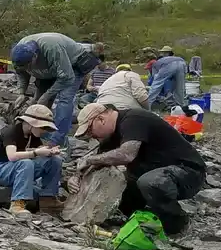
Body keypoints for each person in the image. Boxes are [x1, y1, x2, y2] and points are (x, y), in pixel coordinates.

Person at [75, 101, 207, 238]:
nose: (92, 136)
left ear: (101, 119)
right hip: (158, 174)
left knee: (150, 182)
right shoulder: (111, 135)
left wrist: (89, 160)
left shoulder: (133, 119)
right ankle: (146, 219)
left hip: (189, 172)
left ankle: (178, 225)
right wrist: (77, 177)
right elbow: (96, 162)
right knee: (122, 185)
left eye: (90, 131)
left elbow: (127, 154)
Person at [11, 32, 101, 145]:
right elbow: (21, 74)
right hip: (48, 70)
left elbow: (67, 77)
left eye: (28, 65)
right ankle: (38, 135)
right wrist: (21, 93)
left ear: (35, 56)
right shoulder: (18, 53)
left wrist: (47, 95)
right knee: (38, 102)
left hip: (73, 66)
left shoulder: (51, 48)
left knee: (64, 99)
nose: (27, 69)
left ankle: (57, 141)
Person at [0, 104, 63, 217]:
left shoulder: (32, 135)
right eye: (43, 127)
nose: (44, 131)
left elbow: (37, 149)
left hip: (17, 169)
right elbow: (12, 156)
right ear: (32, 124)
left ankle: (48, 199)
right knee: (26, 163)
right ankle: (17, 204)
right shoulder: (11, 132)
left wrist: (49, 151)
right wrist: (36, 153)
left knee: (55, 160)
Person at [146, 46, 188, 110]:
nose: (161, 54)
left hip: (169, 65)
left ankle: (147, 106)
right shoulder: (177, 58)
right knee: (180, 87)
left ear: (165, 53)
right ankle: (181, 107)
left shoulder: (158, 61)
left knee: (156, 86)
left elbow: (155, 78)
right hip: (182, 63)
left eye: (162, 53)